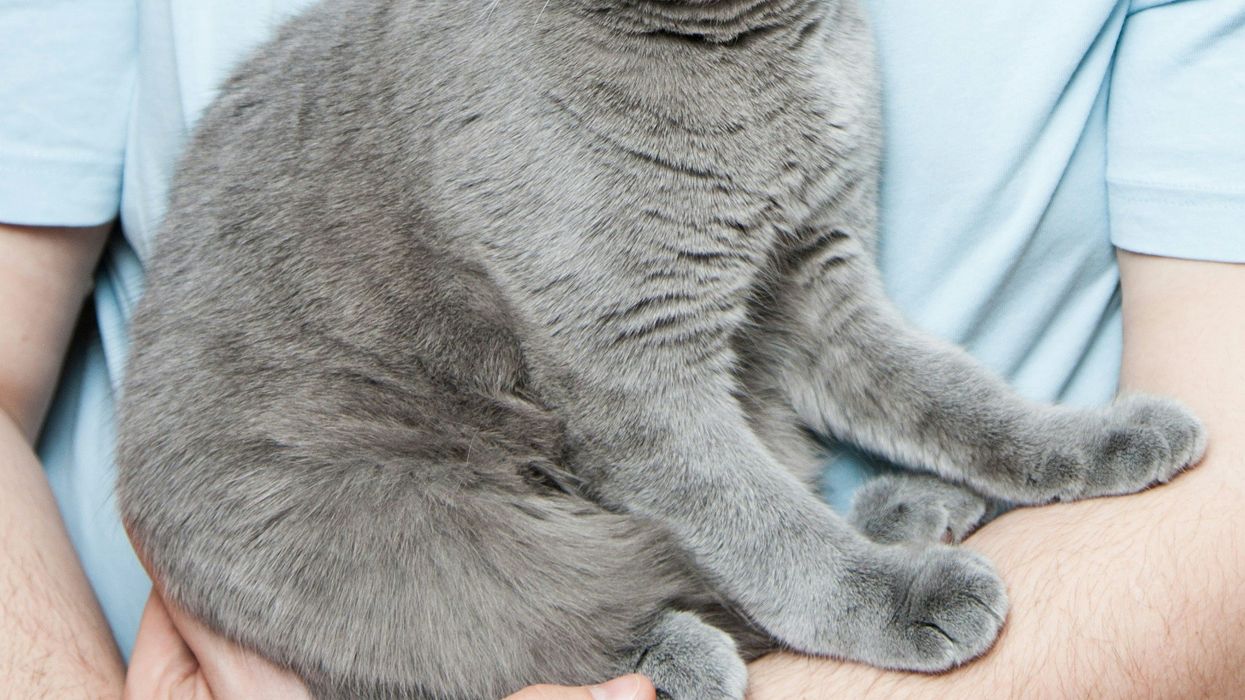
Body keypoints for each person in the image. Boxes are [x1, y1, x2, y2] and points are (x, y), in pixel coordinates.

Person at [1, 0, 1241, 697]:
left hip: (609, 472)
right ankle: (724, 610)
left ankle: (731, 613)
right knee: (576, 494)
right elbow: (635, 396)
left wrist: (1034, 450)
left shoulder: (813, 36)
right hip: (355, 484)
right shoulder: (526, 56)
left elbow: (823, 317)